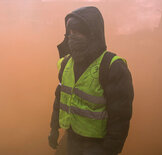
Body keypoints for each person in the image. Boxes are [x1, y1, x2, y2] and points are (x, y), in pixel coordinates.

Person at [48, 6, 134, 155]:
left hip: (97, 146)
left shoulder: (112, 67)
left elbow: (120, 117)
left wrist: (109, 150)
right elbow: (60, 98)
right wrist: (54, 128)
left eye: (78, 33)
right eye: (70, 33)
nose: (72, 37)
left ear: (92, 35)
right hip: (70, 139)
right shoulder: (66, 63)